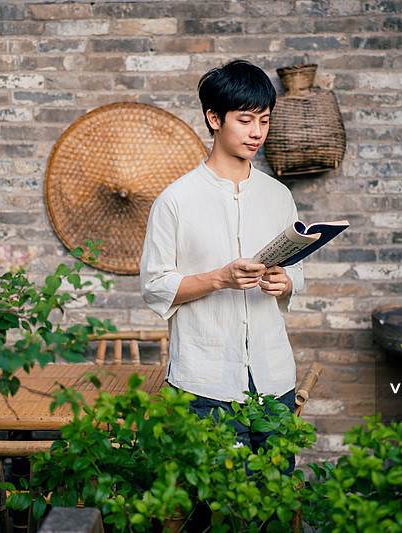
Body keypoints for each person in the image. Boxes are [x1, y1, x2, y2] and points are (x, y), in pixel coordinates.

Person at [139, 59, 304, 469]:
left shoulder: (278, 195)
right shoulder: (176, 200)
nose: (256, 133)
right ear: (214, 118)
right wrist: (220, 279)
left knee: (277, 501)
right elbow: (155, 286)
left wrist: (285, 282)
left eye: (264, 121)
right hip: (204, 385)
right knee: (220, 509)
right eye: (245, 120)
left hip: (274, 379)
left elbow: (296, 271)